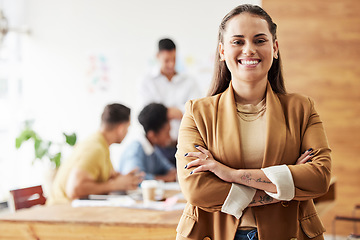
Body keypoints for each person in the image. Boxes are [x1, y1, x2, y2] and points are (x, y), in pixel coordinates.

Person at [176, 4, 331, 240]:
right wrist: (284, 188)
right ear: (222, 51)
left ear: (275, 47)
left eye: (259, 40)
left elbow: (319, 177)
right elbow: (196, 189)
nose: (249, 49)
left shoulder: (302, 109)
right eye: (237, 42)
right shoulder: (198, 113)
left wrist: (230, 174)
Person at [47, 103, 144, 205]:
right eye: (128, 128)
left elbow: (104, 177)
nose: (127, 132)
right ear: (121, 128)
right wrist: (114, 185)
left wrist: (121, 180)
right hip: (62, 211)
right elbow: (75, 190)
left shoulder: (100, 144)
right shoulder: (95, 149)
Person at [139, 38, 202, 165]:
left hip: (185, 145)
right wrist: (180, 111)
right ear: (157, 56)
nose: (171, 64)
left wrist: (162, 111)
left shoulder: (189, 81)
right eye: (166, 60)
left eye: (174, 59)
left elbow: (197, 112)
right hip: (158, 148)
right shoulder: (146, 81)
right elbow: (148, 115)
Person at [119, 103, 176, 182]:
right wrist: (165, 178)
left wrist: (172, 173)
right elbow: (134, 178)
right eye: (167, 133)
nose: (170, 137)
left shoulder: (153, 149)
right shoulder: (135, 149)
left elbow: (169, 168)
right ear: (152, 135)